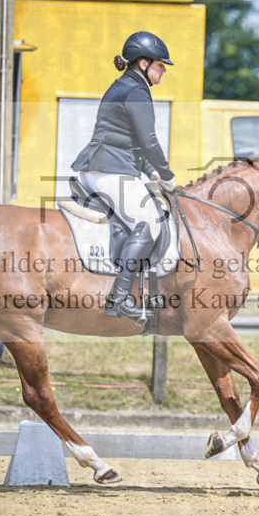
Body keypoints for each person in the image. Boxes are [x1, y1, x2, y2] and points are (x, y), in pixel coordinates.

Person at [71, 31, 177, 321]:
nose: (164, 70)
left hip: (105, 166)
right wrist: (166, 174)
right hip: (109, 169)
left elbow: (125, 139)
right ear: (144, 63)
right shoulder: (136, 91)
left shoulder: (125, 85)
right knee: (150, 222)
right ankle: (118, 299)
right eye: (160, 65)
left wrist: (150, 171)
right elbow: (149, 141)